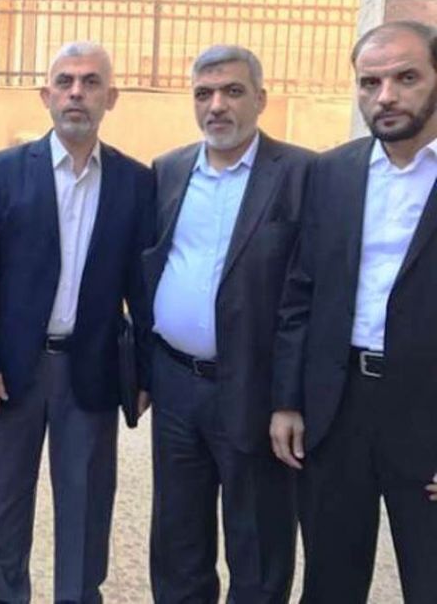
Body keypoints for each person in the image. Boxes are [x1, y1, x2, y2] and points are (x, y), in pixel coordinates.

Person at [0, 41, 154, 604]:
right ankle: (3, 594)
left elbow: (142, 288)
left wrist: (144, 373)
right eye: (65, 82)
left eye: (90, 82)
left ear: (111, 97)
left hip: (90, 368)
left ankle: (78, 595)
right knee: (4, 496)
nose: (76, 93)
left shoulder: (134, 182)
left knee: (87, 499)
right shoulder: (2, 173)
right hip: (13, 369)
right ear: (45, 95)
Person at [270, 20, 437, 603]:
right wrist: (289, 400)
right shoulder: (332, 172)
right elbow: (301, 292)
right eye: (370, 82)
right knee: (330, 582)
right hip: (338, 408)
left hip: (428, 414)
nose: (385, 96)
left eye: (406, 78)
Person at [143, 45, 315, 603]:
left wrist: (289, 401)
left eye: (232, 92)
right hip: (175, 386)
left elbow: (306, 297)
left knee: (258, 543)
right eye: (204, 93)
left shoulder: (301, 174)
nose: (216, 105)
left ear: (260, 99)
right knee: (178, 539)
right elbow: (149, 268)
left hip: (255, 391)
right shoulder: (168, 171)